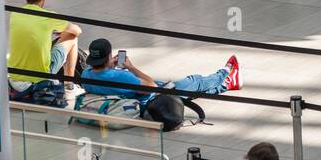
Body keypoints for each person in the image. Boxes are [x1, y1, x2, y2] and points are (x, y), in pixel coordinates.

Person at [80, 38, 240, 104]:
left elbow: (105, 77)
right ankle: (225, 73)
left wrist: (109, 65)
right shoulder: (120, 75)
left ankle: (226, 85)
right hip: (156, 97)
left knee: (190, 93)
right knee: (194, 81)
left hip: (125, 96)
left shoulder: (86, 75)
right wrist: (131, 67)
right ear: (109, 56)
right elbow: (151, 86)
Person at [6, 0, 83, 98]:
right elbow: (77, 31)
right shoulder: (48, 16)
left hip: (15, 76)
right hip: (39, 77)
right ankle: (69, 86)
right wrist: (62, 31)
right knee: (72, 37)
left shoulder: (14, 14)